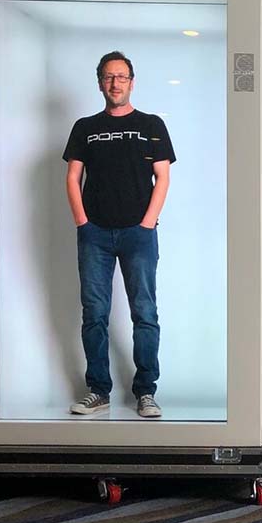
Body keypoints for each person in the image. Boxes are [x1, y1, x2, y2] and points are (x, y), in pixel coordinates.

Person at [63, 51, 175, 418]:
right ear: (100, 83)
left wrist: (148, 223)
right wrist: (83, 222)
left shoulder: (151, 124)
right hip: (94, 234)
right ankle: (98, 391)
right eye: (109, 77)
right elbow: (73, 177)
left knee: (144, 312)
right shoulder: (85, 127)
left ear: (132, 82)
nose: (115, 83)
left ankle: (146, 392)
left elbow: (163, 177)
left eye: (122, 77)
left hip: (138, 234)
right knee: (94, 312)